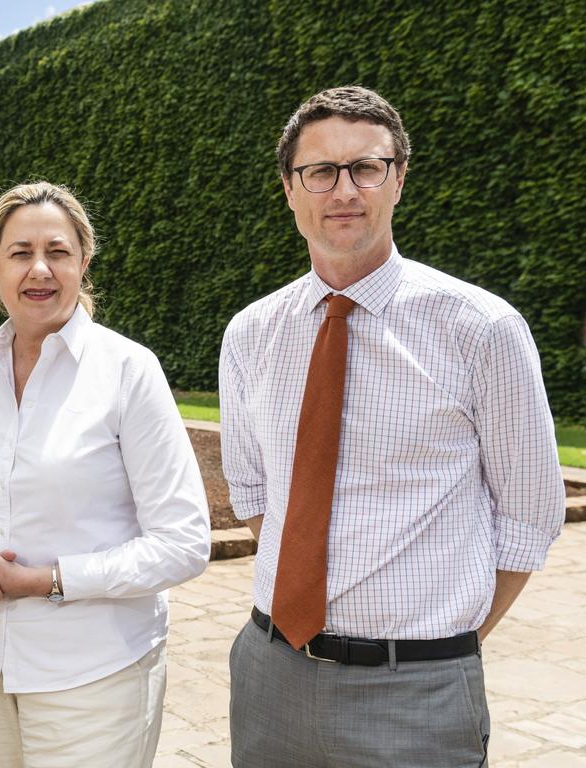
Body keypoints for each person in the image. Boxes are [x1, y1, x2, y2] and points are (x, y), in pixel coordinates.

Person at [219, 86, 565, 768]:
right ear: (290, 190)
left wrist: (438, 646)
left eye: (366, 167)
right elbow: (254, 492)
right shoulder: (251, 332)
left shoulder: (481, 329)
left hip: (419, 694)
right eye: (319, 171)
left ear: (399, 180)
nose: (343, 189)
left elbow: (530, 515)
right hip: (270, 675)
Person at [0, 181, 211, 768]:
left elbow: (183, 543)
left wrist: (47, 579)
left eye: (58, 252)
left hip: (96, 676)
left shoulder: (128, 371)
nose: (39, 269)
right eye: (20, 253)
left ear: (83, 262)